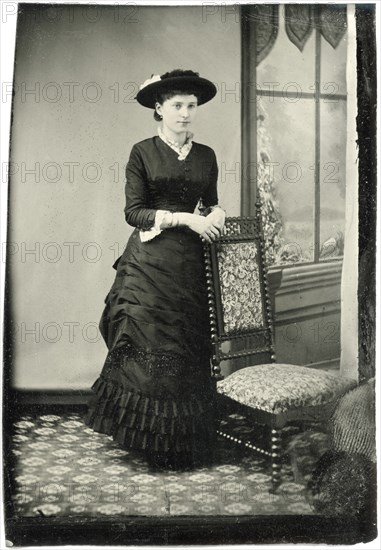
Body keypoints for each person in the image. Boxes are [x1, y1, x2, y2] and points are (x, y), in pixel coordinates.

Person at [85, 69, 225, 470]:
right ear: (159, 109)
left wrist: (218, 211)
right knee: (147, 345)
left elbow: (211, 202)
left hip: (190, 266)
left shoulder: (207, 155)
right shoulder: (142, 152)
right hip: (149, 264)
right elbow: (134, 212)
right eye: (176, 106)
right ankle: (146, 442)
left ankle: (180, 440)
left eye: (191, 106)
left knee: (185, 345)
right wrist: (187, 220)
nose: (184, 113)